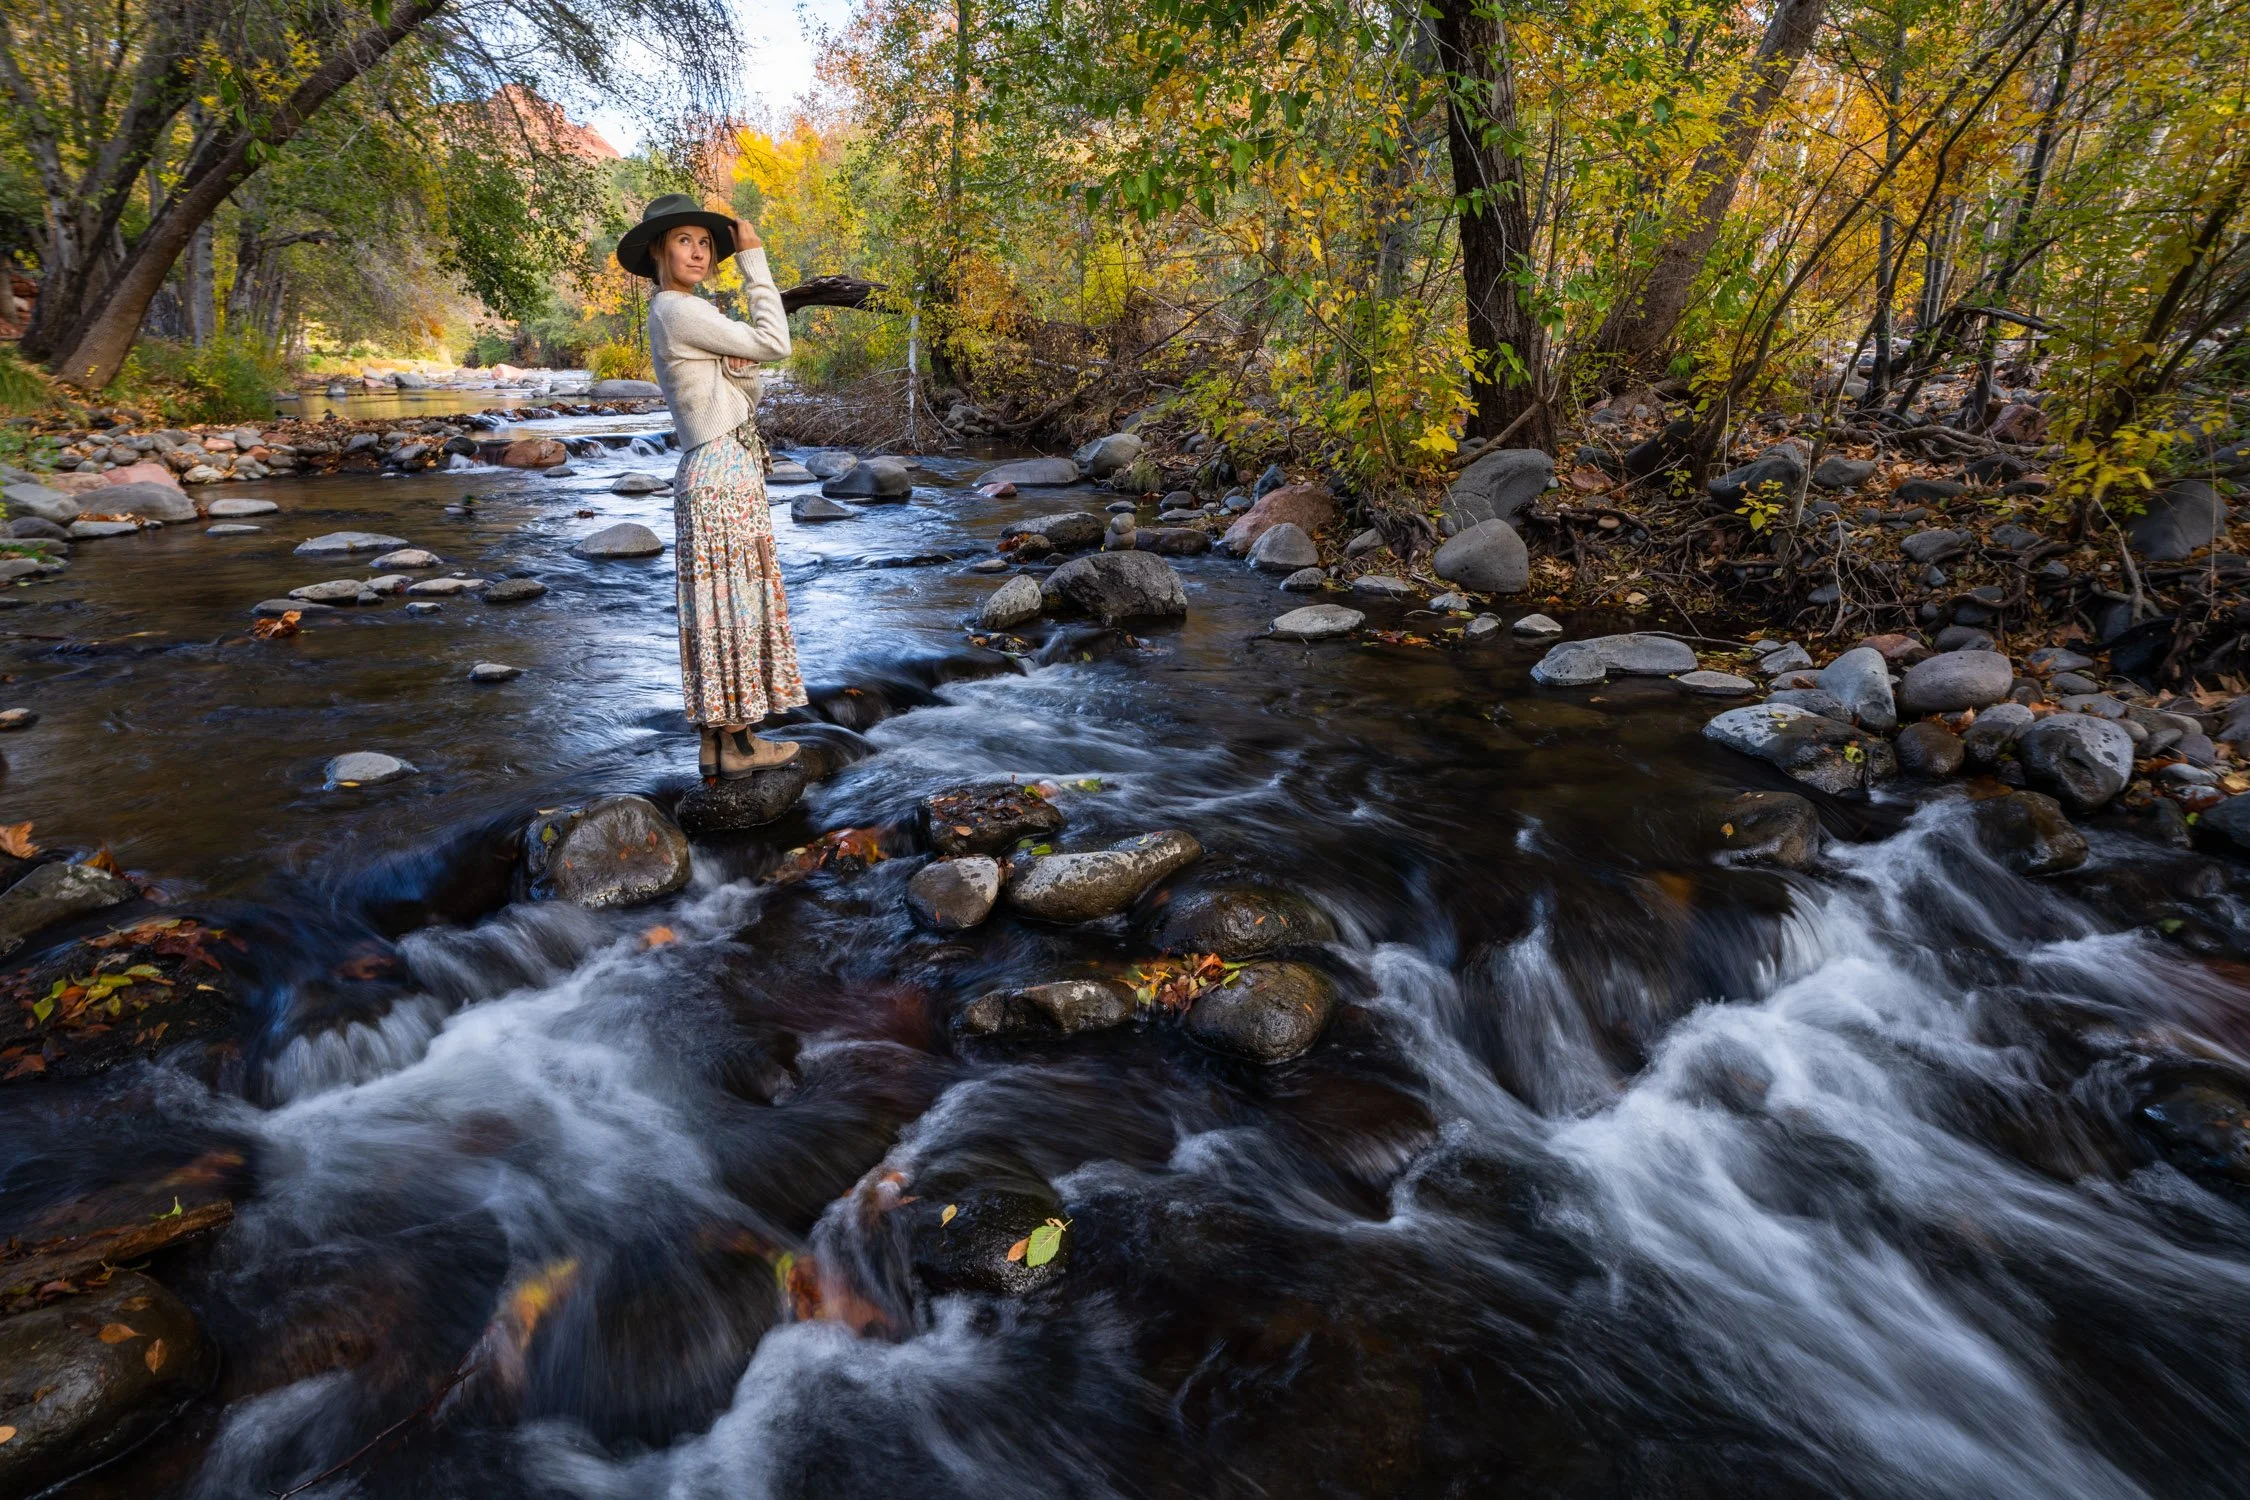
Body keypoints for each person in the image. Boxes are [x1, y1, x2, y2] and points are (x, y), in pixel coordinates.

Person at [615, 193, 805, 780]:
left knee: (720, 606)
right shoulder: (678, 309)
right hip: (722, 474)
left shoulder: (679, 313)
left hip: (718, 465)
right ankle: (741, 745)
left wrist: (739, 379)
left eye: (706, 243)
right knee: (734, 605)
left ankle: (718, 744)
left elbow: (738, 399)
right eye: (684, 241)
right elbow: (776, 343)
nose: (698, 252)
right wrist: (755, 260)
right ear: (658, 250)